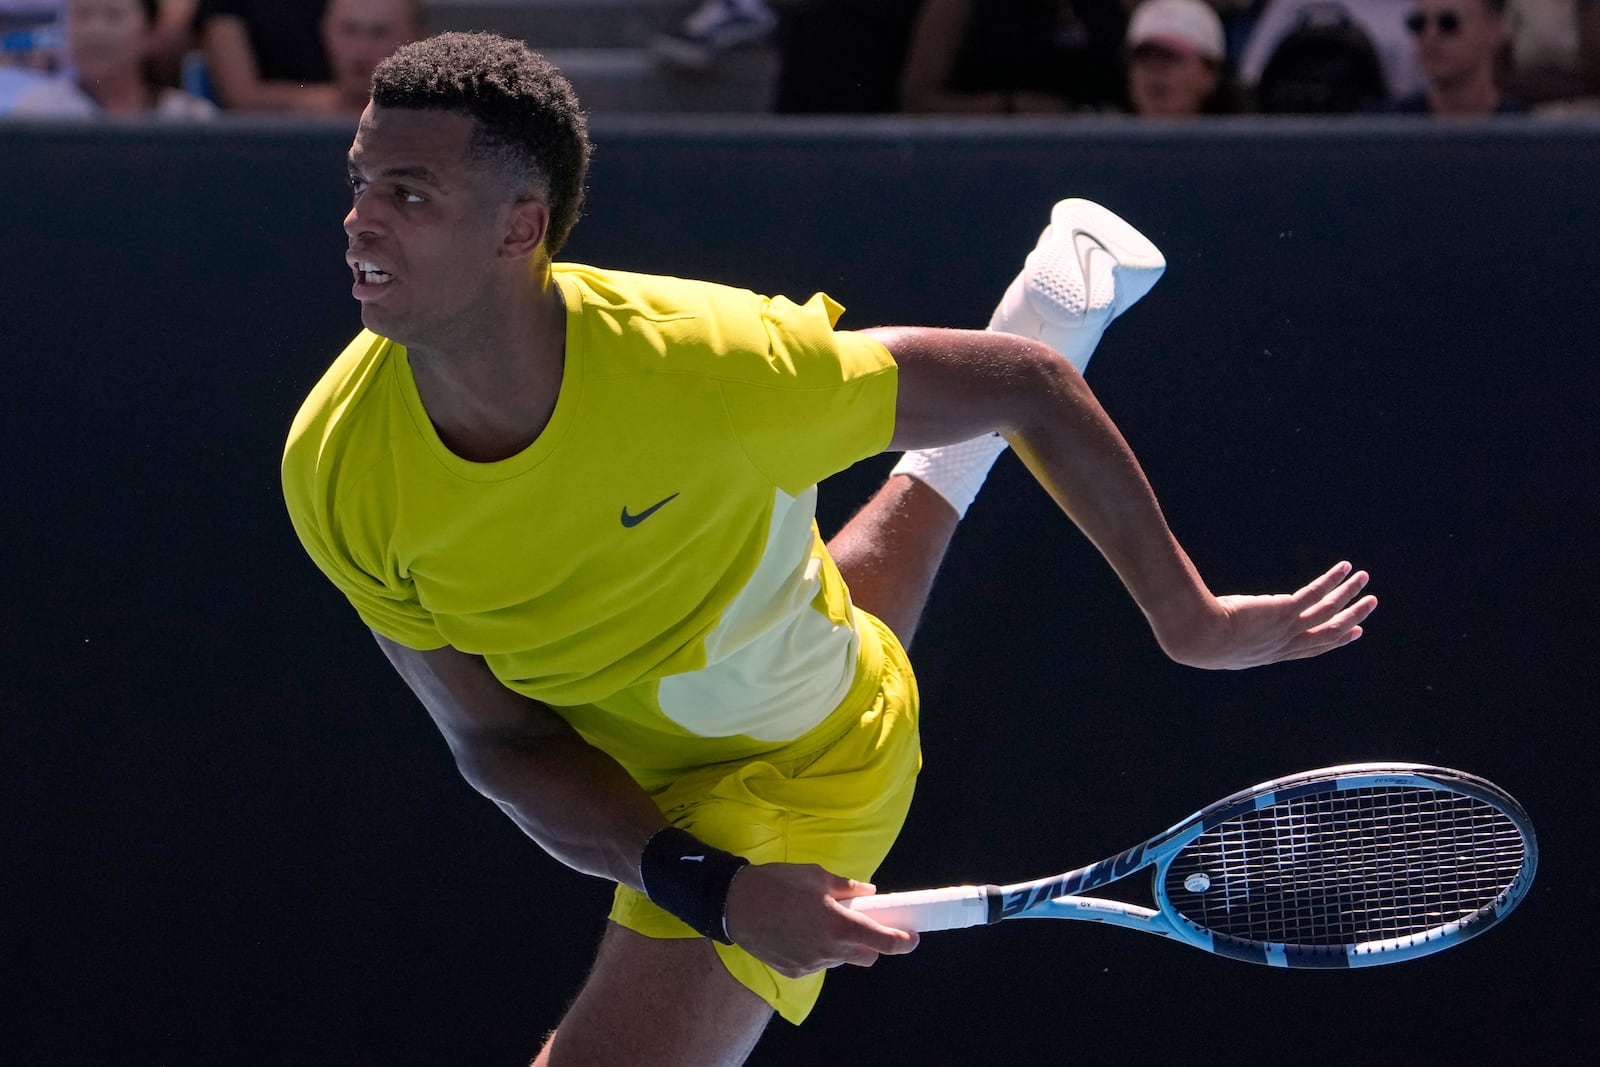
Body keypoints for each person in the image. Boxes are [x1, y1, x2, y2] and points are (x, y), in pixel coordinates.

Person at [282, 31, 1376, 1064]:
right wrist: (703, 881)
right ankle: (1052, 302)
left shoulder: (713, 367)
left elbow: (1023, 387)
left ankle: (1043, 321)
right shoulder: (334, 465)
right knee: (819, 622)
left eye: (409, 193)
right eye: (361, 182)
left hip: (799, 777)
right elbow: (497, 741)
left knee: (807, 668)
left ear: (519, 226)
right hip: (685, 718)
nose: (359, 221)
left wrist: (1188, 618)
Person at [898, 0, 1132, 114]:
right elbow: (916, 100)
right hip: (988, 156)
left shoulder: (1116, 8)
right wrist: (1010, 106)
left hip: (1096, 153)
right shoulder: (957, 8)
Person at [8, 0, 212, 117]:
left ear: (150, 33)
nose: (95, 30)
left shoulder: (190, 116)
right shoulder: (36, 113)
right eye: (82, 15)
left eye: (113, 15)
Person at [1383, 0, 1526, 112]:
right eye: (1419, 23)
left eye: (1449, 22)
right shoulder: (1384, 129)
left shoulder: (1529, 136)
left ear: (1495, 29)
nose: (1430, 35)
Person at [1123, 0, 1243, 116]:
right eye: (1144, 57)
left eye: (1170, 57)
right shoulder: (1107, 129)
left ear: (1209, 74)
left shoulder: (1246, 133)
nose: (1155, 68)